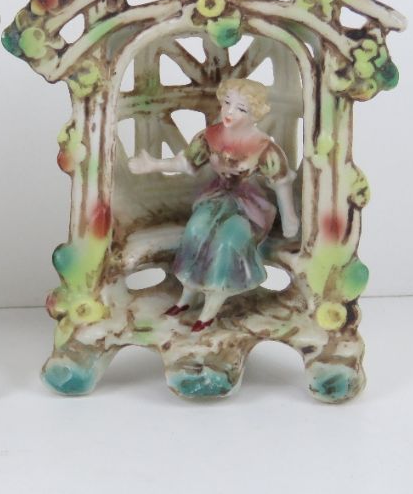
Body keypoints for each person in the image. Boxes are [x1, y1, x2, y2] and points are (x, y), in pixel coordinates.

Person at [128, 78, 299, 332]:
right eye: (227, 103)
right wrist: (153, 164)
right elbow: (187, 163)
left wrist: (289, 219)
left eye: (241, 108)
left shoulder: (264, 147)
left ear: (255, 113)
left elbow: (281, 183)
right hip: (217, 197)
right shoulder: (210, 136)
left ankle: (213, 303)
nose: (230, 111)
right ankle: (188, 295)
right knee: (196, 229)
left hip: (248, 205)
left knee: (228, 240)